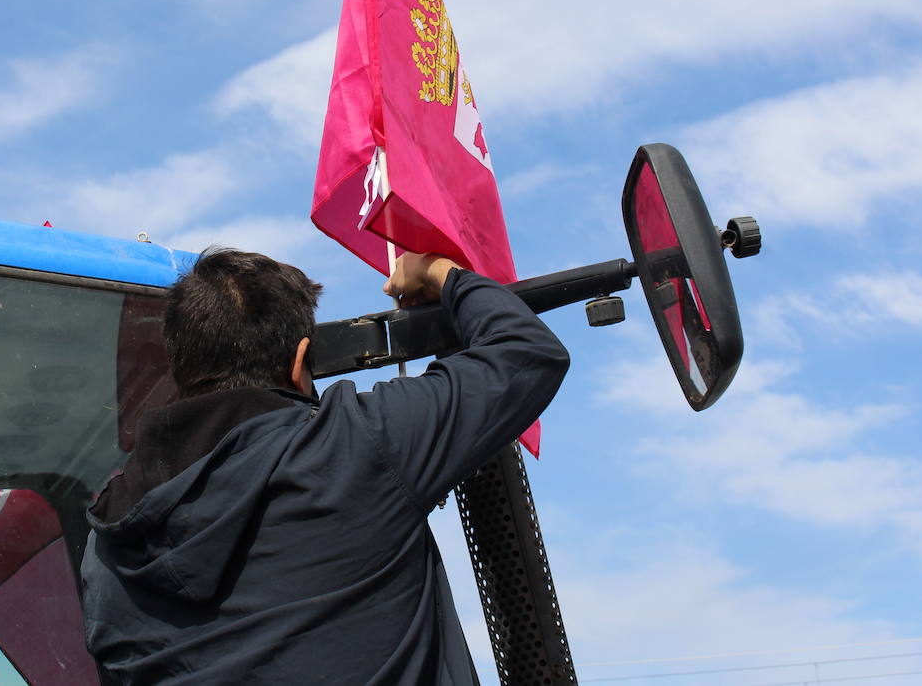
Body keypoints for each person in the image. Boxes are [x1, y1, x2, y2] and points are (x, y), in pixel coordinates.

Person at [81, 247, 569, 684]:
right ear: (299, 362)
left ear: (181, 368)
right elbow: (525, 352)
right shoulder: (357, 444)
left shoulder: (106, 544)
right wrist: (438, 271)